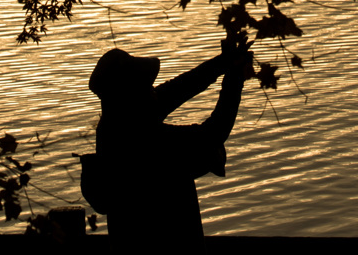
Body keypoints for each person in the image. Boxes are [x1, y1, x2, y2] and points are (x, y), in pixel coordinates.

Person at [85, 39, 251, 250]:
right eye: (147, 86)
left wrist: (222, 62)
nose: (154, 89)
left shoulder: (114, 125)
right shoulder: (154, 142)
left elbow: (181, 87)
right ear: (135, 95)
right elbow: (213, 133)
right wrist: (235, 78)